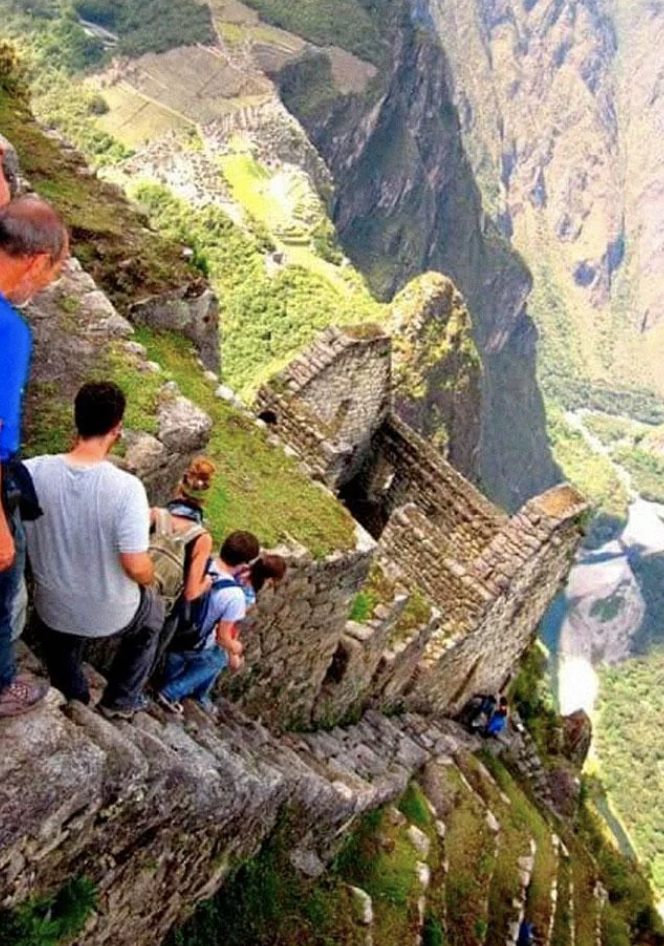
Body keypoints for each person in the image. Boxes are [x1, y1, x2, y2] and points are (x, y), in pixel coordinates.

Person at [24, 381, 165, 719]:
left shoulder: (31, 471)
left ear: (76, 419)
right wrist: (151, 576)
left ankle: (75, 696)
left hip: (52, 608)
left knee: (59, 640)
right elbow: (135, 566)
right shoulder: (127, 489)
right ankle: (120, 700)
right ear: (116, 428)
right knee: (153, 615)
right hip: (112, 613)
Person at [0, 196, 69, 718]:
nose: (44, 287)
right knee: (5, 583)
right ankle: (2, 684)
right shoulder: (8, 330)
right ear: (34, 260)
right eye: (50, 274)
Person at [156, 531, 260, 715]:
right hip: (192, 644)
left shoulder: (201, 563)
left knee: (179, 658)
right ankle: (170, 692)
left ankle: (168, 683)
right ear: (244, 564)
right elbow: (222, 637)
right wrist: (236, 648)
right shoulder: (235, 596)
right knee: (220, 658)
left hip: (171, 631)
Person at [149, 457, 216, 662]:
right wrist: (207, 583)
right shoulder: (201, 538)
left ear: (179, 488)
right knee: (147, 654)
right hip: (163, 608)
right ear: (203, 500)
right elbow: (191, 592)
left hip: (134, 587)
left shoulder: (154, 515)